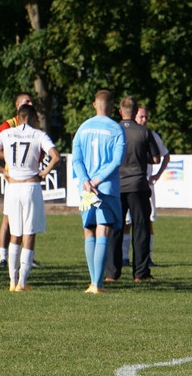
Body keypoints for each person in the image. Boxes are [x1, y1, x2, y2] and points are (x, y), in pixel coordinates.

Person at [0, 103, 60, 291]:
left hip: (13, 187)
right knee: (29, 233)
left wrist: (2, 171)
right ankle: (23, 282)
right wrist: (45, 172)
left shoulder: (7, 133)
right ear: (32, 118)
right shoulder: (38, 134)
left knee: (15, 233)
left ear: (18, 116)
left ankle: (12, 280)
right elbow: (55, 156)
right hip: (31, 186)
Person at [71, 90, 126, 294]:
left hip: (85, 188)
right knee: (103, 229)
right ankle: (97, 284)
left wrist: (86, 180)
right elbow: (117, 160)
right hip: (105, 187)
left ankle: (92, 282)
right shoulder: (116, 129)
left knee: (88, 230)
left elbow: (76, 160)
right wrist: (97, 180)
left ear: (95, 104)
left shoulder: (82, 128)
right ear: (112, 106)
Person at [105, 96, 159, 282]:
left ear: (120, 112)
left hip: (116, 187)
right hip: (138, 186)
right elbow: (156, 159)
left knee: (115, 229)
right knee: (141, 228)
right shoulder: (144, 131)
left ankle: (112, 273)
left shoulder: (112, 131)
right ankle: (140, 273)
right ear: (136, 113)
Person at [122, 104, 169, 267]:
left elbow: (165, 155)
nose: (144, 120)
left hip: (145, 185)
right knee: (126, 223)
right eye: (141, 116)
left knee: (147, 222)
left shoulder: (151, 135)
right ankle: (124, 257)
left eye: (146, 117)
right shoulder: (128, 133)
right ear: (134, 116)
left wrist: (156, 175)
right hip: (128, 184)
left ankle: (147, 257)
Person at [0, 92, 35, 266]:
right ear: (17, 105)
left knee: (28, 219)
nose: (31, 103)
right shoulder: (8, 125)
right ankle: (3, 256)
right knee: (8, 217)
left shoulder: (32, 126)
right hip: (12, 177)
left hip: (26, 178)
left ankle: (26, 257)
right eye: (27, 101)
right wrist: (11, 159)